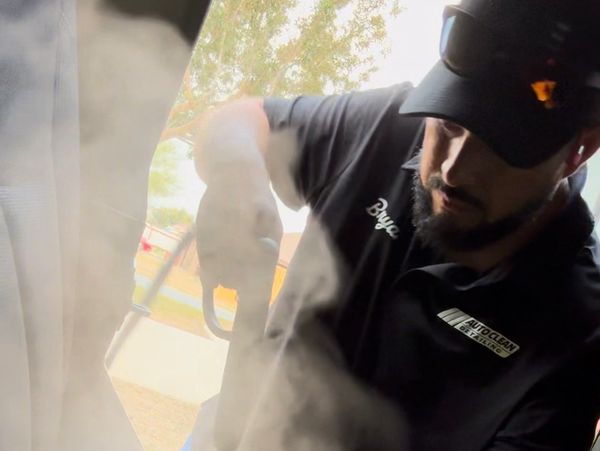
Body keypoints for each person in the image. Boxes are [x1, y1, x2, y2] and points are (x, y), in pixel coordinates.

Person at [192, 0, 600, 449]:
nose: (454, 170)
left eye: (500, 150)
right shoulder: (386, 130)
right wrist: (235, 174)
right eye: (448, 126)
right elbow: (242, 120)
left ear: (579, 150)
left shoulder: (580, 332)